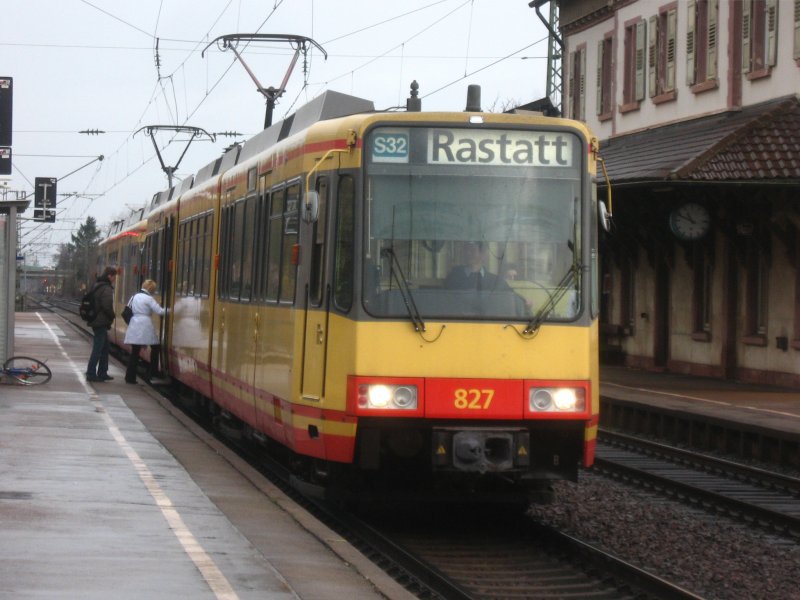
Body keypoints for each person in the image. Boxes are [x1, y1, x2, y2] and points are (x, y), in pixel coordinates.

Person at [124, 279, 167, 384]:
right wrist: (171, 310)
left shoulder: (134, 296)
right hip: (145, 325)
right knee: (155, 347)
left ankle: (130, 377)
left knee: (135, 352)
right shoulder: (149, 299)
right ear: (151, 289)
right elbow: (160, 311)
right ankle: (153, 373)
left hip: (134, 324)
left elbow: (127, 309)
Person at [85, 266, 118, 382]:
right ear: (110, 276)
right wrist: (112, 316)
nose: (114, 279)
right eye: (114, 277)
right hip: (100, 321)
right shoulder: (106, 288)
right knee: (98, 348)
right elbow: (107, 305)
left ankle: (103, 372)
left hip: (96, 320)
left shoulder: (97, 284)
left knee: (104, 347)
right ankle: (91, 373)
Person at [444, 241, 509, 291]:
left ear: (483, 253)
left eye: (472, 250)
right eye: (466, 249)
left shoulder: (497, 283)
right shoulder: (452, 279)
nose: (468, 253)